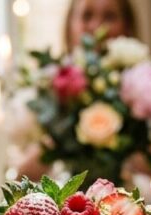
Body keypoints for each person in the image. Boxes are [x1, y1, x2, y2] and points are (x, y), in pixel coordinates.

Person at [15, 0, 137, 181]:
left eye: (109, 16)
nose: (97, 26)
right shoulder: (44, 91)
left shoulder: (143, 95)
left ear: (127, 26)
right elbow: (18, 178)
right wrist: (55, 141)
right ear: (70, 25)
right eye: (87, 16)